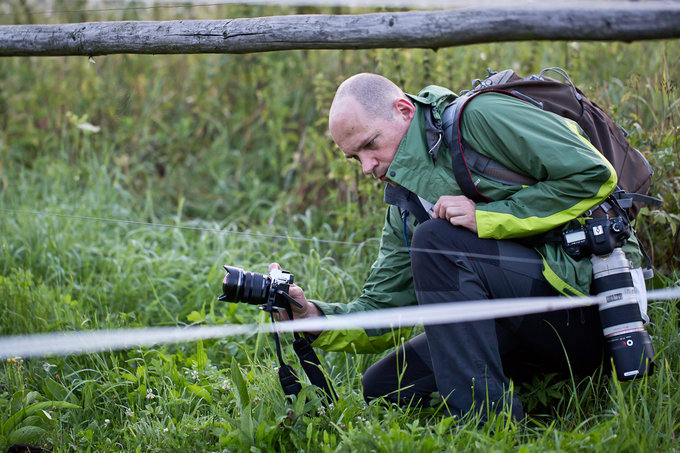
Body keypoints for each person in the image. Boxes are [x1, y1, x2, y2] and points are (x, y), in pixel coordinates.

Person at [271, 72, 645, 421]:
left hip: (592, 308)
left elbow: (593, 176)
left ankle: (487, 426)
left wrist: (486, 217)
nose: (367, 166)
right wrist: (314, 318)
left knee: (437, 240)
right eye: (355, 157)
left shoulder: (482, 117)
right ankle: (516, 390)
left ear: (403, 110)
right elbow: (383, 308)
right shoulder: (406, 202)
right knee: (385, 387)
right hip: (520, 326)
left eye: (370, 145)